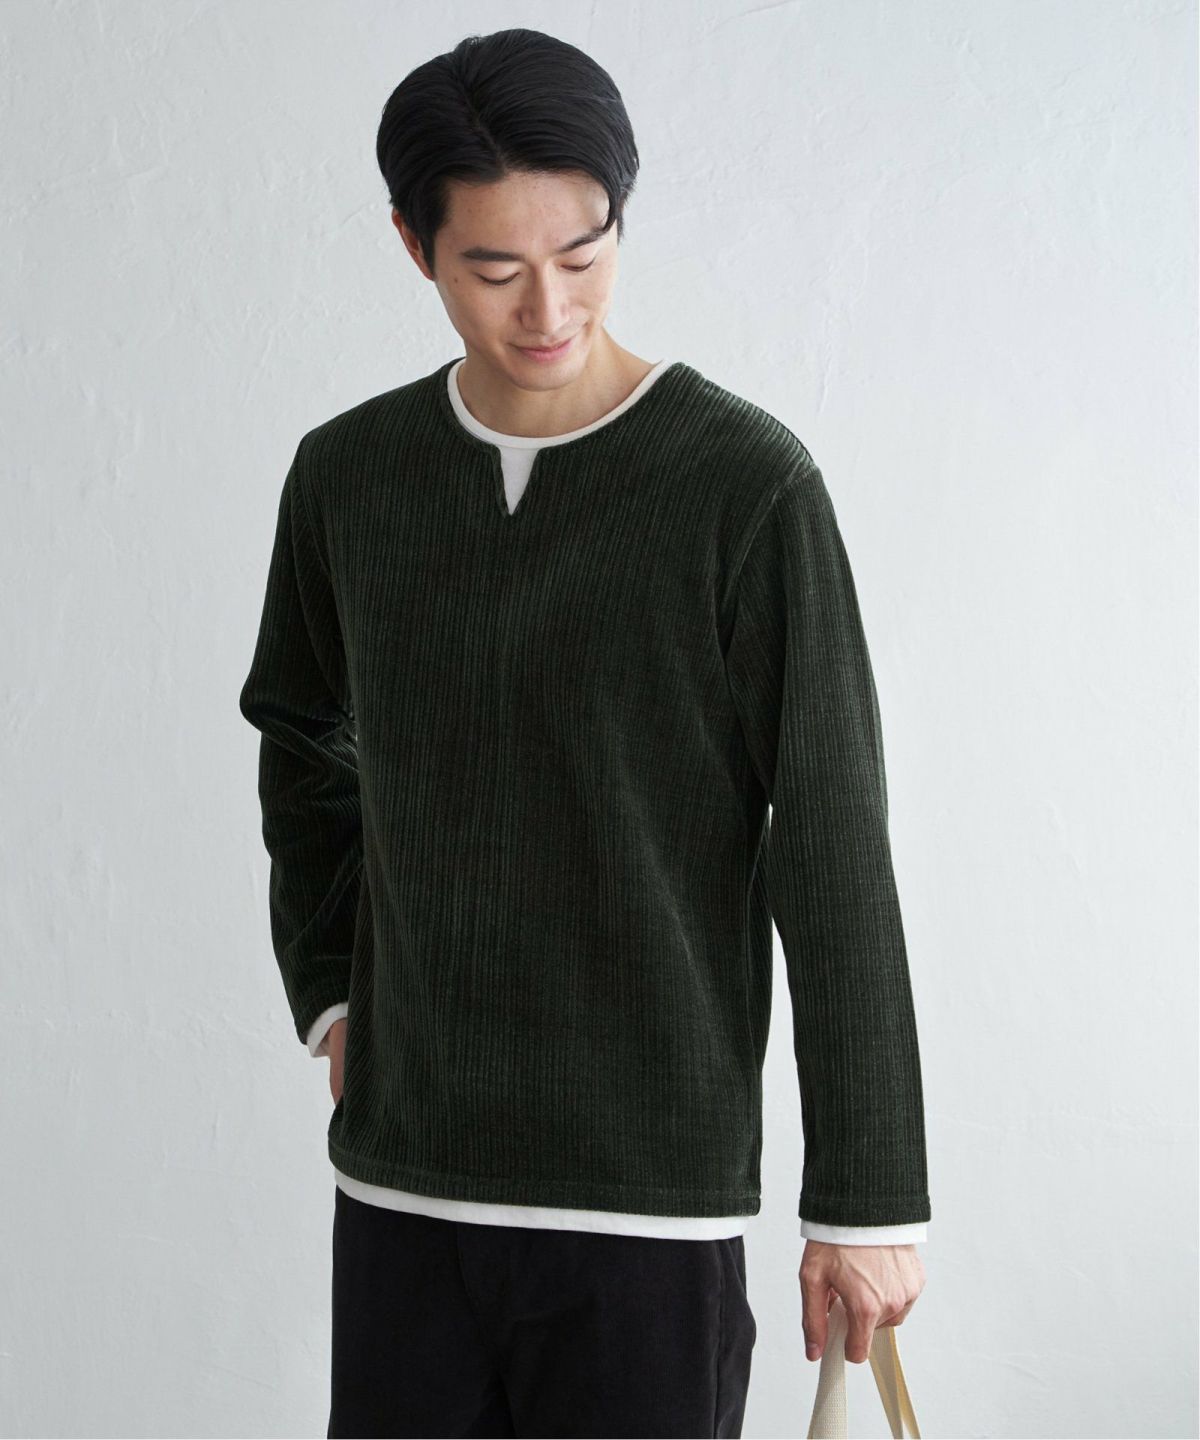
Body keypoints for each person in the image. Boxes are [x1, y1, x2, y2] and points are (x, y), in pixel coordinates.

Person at [238, 26, 930, 1440]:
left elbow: (831, 836)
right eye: (494, 268)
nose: (547, 307)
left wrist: (864, 1203)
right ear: (416, 248)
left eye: (584, 251)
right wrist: (334, 994)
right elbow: (301, 734)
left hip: (649, 1200)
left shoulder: (744, 486)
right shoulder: (350, 476)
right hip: (404, 1181)